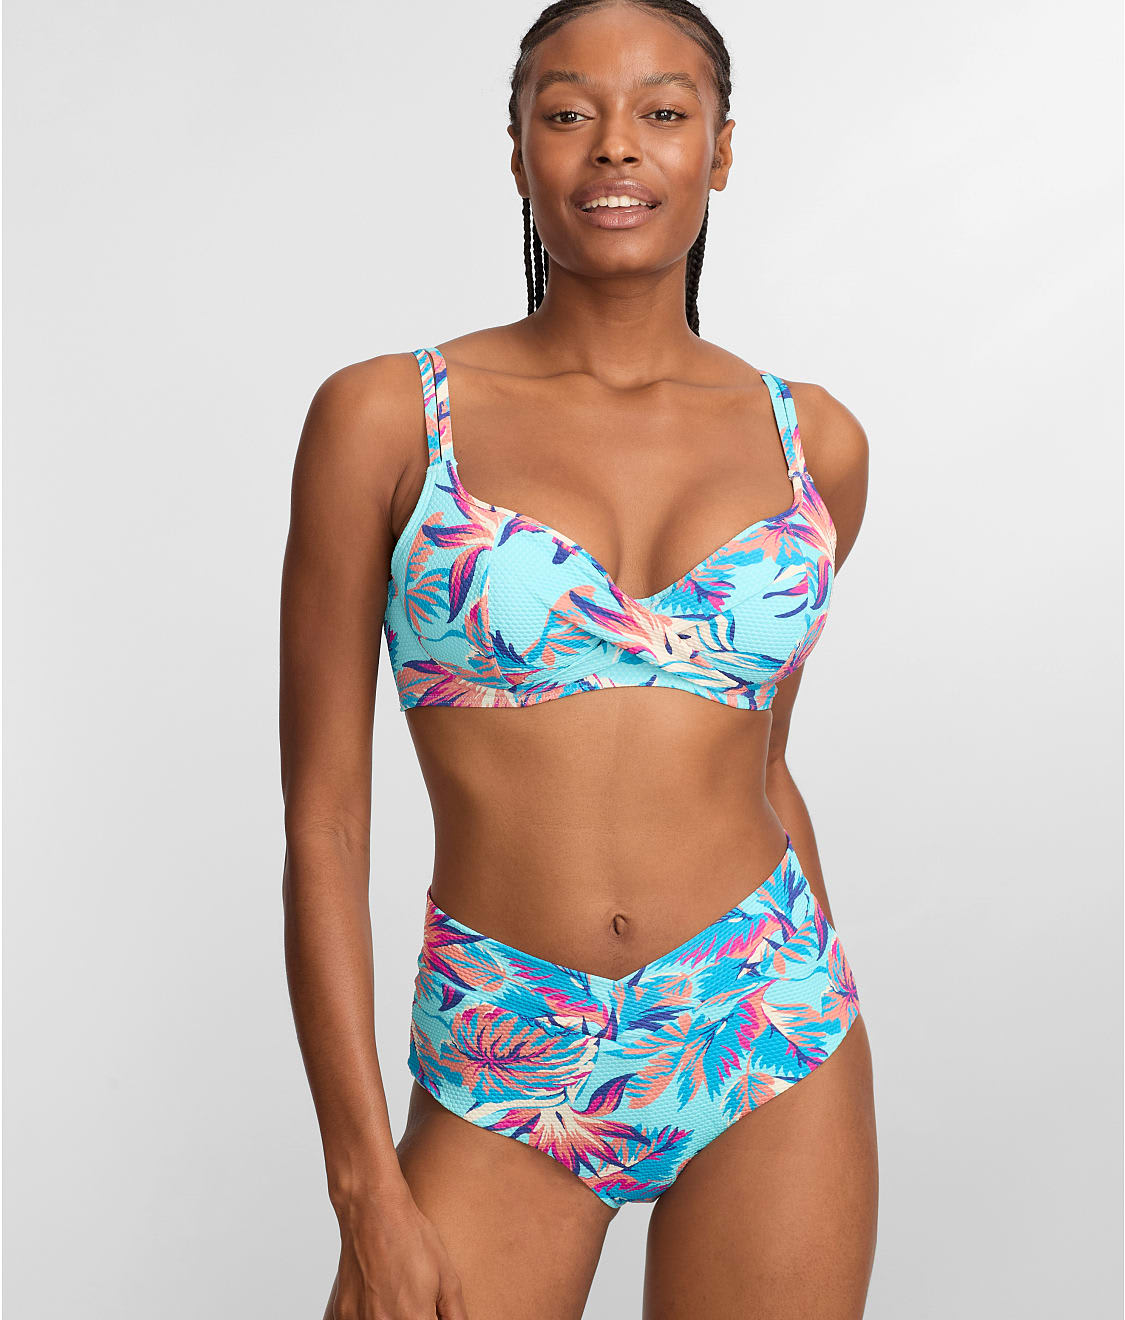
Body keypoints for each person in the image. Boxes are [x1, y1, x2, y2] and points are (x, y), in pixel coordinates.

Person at [279, 1, 878, 1316]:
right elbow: (324, 821)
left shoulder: (815, 444)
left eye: (663, 112)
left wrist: (811, 976)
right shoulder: (387, 418)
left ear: (720, 150)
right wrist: (365, 1186)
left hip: (765, 1022)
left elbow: (759, 763)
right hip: (507, 1044)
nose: (616, 146)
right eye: (568, 113)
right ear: (517, 150)